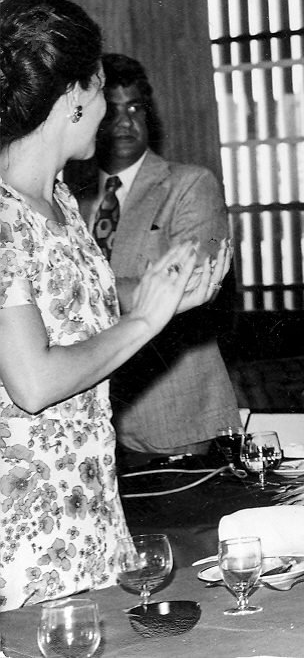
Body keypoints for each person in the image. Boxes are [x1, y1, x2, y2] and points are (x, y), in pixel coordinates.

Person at [0, 0, 225, 611]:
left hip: (87, 502)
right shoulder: (3, 215)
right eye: (100, 90)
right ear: (73, 95)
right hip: (25, 519)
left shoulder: (59, 202)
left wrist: (167, 298)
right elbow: (34, 382)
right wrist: (146, 319)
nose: (106, 112)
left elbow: (73, 312)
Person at [69, 53, 238, 466]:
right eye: (112, 111)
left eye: (135, 109)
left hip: (172, 414)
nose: (125, 123)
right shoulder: (68, 195)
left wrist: (73, 289)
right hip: (88, 414)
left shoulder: (189, 184)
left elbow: (190, 283)